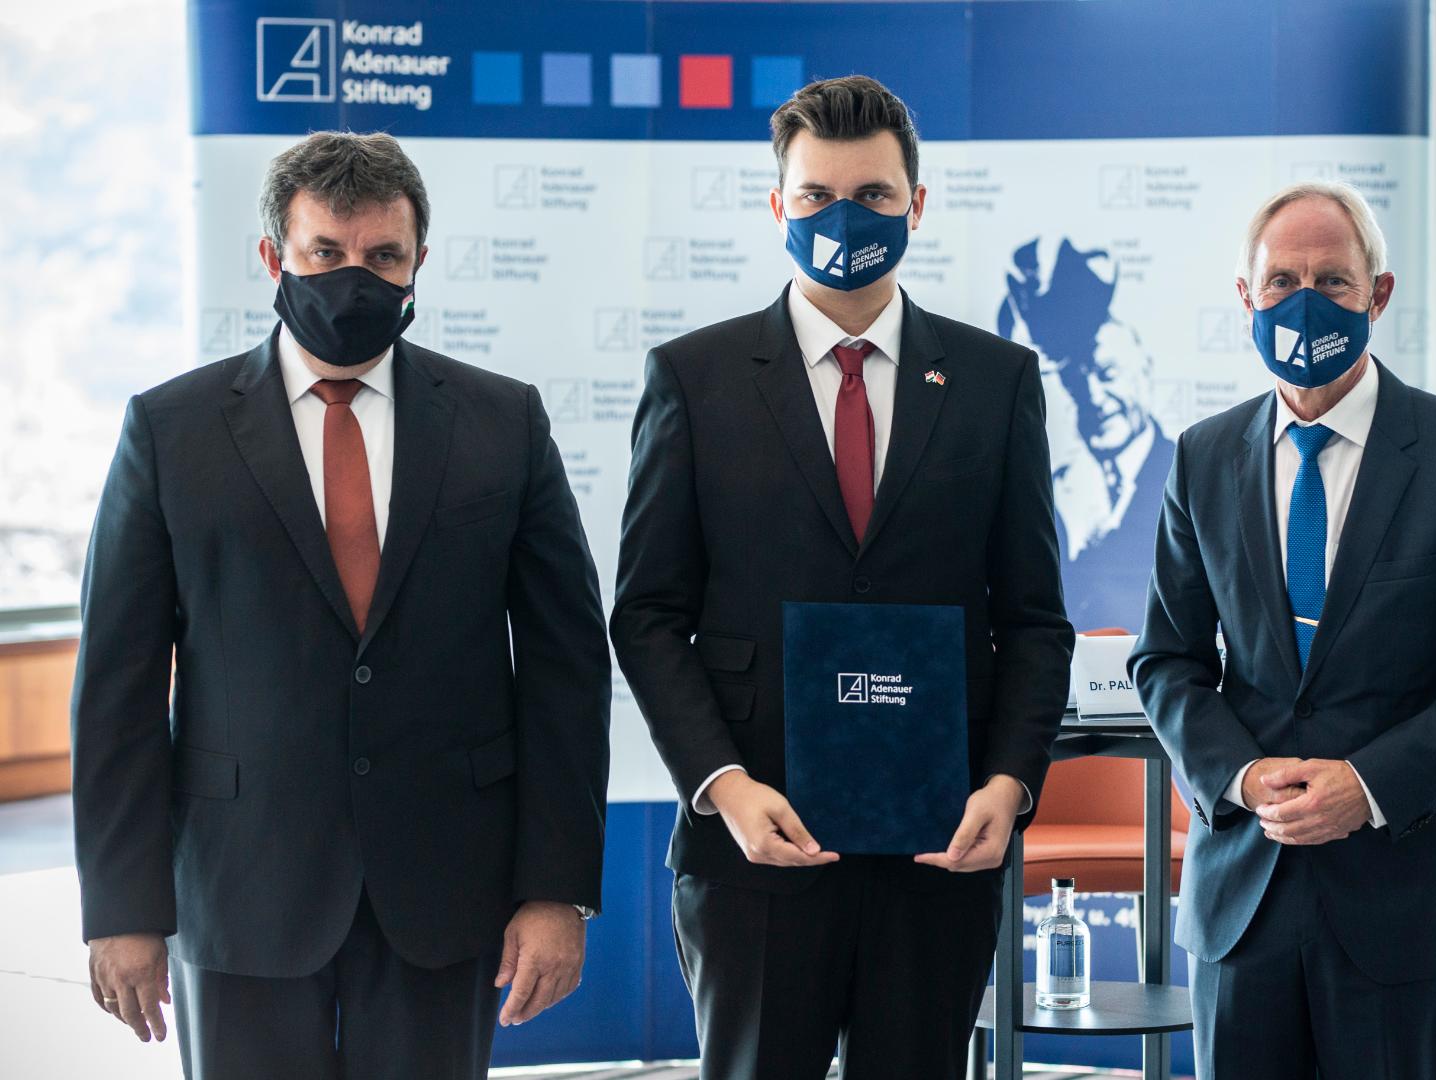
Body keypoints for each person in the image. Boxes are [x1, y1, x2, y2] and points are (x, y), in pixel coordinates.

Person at [71, 131, 611, 1079]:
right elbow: (117, 687)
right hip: (239, 889)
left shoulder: (504, 422)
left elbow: (566, 671)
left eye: (383, 256)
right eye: (325, 252)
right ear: (273, 256)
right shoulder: (170, 430)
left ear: (418, 264)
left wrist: (557, 890)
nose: (353, 277)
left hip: (446, 892)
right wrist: (121, 908)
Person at [610, 75, 1073, 1080]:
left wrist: (1011, 782)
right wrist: (722, 787)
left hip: (939, 847)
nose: (843, 217)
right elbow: (646, 614)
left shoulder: (996, 382)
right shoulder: (693, 378)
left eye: (872, 194)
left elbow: (1036, 619)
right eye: (817, 195)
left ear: (917, 203)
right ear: (777, 204)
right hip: (756, 846)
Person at [1129, 180, 1436, 1078]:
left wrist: (1366, 786)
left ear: (1378, 295)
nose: (1305, 301)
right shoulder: (1202, 456)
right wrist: (1241, 776)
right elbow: (1167, 660)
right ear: (1246, 298)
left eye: (1332, 279)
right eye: (1281, 281)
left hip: (1405, 896)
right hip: (1242, 892)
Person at [999, 242, 1172, 631]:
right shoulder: (1050, 486)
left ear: (1144, 371)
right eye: (1076, 383)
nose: (1092, 397)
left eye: (1107, 374)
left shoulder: (1189, 474)